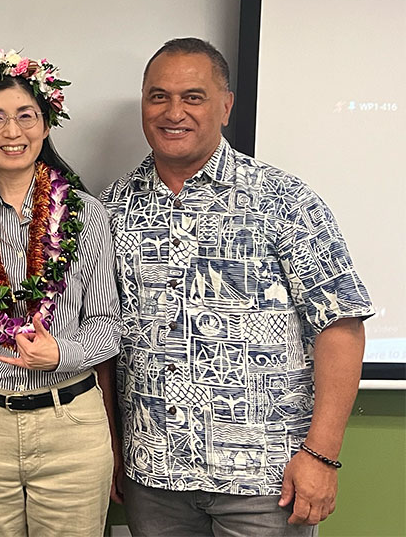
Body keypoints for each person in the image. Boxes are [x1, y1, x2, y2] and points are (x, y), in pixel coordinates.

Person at [99, 38, 373, 536]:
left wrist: (323, 455)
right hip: (153, 477)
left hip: (267, 482)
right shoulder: (112, 207)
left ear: (226, 105)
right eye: (157, 96)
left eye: (193, 96)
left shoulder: (284, 200)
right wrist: (114, 449)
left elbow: (342, 326)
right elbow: (103, 340)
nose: (173, 111)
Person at [0, 49, 123, 537]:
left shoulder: (87, 215)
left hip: (71, 428)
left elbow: (109, 326)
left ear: (47, 123)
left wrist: (62, 352)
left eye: (25, 116)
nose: (12, 132)